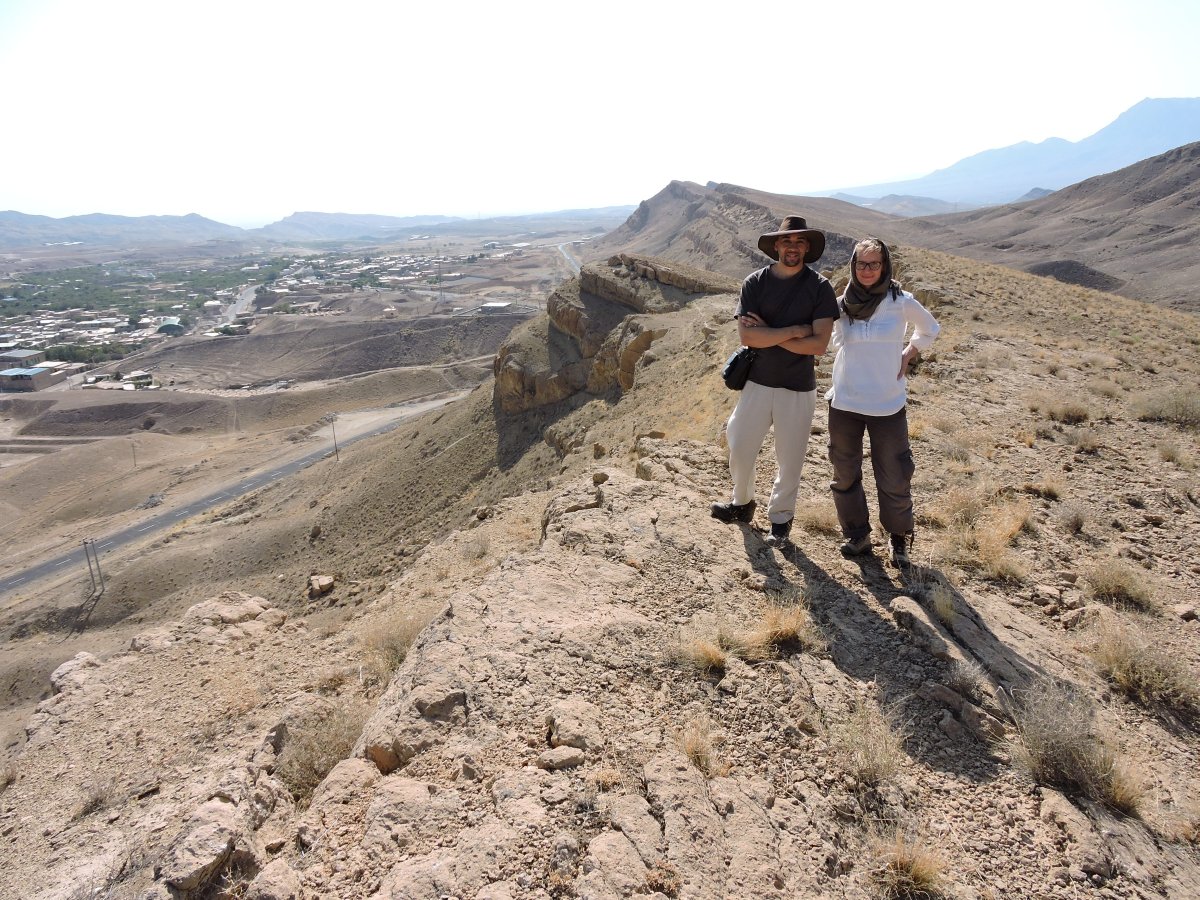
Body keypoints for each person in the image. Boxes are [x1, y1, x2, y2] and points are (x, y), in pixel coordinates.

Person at [711, 215, 839, 547]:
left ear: (807, 247)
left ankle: (780, 520)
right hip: (758, 381)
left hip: (797, 386)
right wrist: (796, 331)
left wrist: (769, 332)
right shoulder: (755, 282)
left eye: (799, 242)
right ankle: (742, 503)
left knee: (790, 457)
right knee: (739, 443)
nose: (792, 247)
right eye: (787, 241)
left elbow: (820, 345)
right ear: (776, 246)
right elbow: (747, 336)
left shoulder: (820, 288)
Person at [826, 237, 940, 568]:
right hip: (845, 401)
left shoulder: (901, 302)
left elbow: (930, 328)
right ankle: (857, 535)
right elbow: (817, 330)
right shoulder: (842, 303)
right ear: (853, 265)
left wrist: (910, 351)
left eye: (874, 264)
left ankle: (899, 538)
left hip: (887, 405)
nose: (867, 270)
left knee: (894, 474)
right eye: (862, 264)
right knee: (844, 472)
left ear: (885, 265)